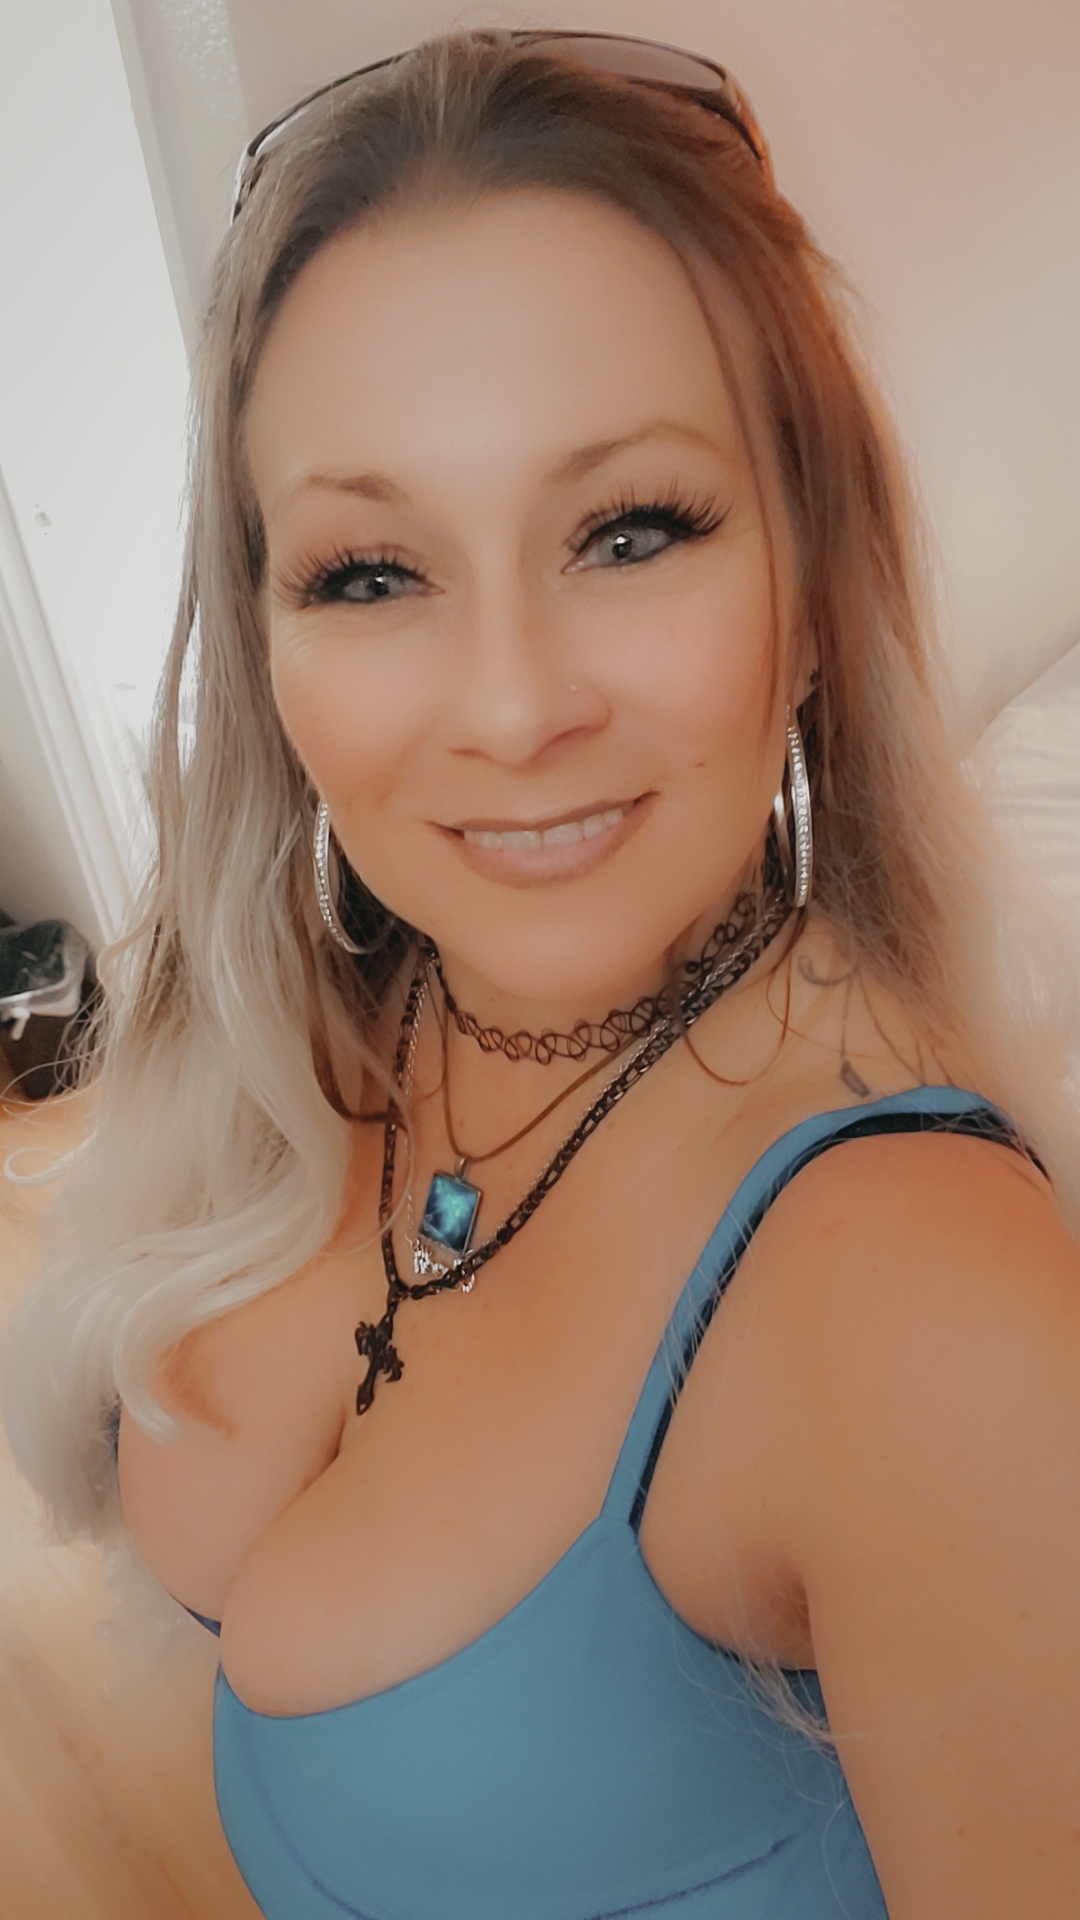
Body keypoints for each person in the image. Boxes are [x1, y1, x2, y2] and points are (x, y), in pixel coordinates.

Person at [4, 28, 1080, 1919]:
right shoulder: (330, 1027)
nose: (511, 709)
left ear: (811, 596)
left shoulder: (920, 1304)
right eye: (369, 572)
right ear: (265, 638)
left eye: (629, 531)